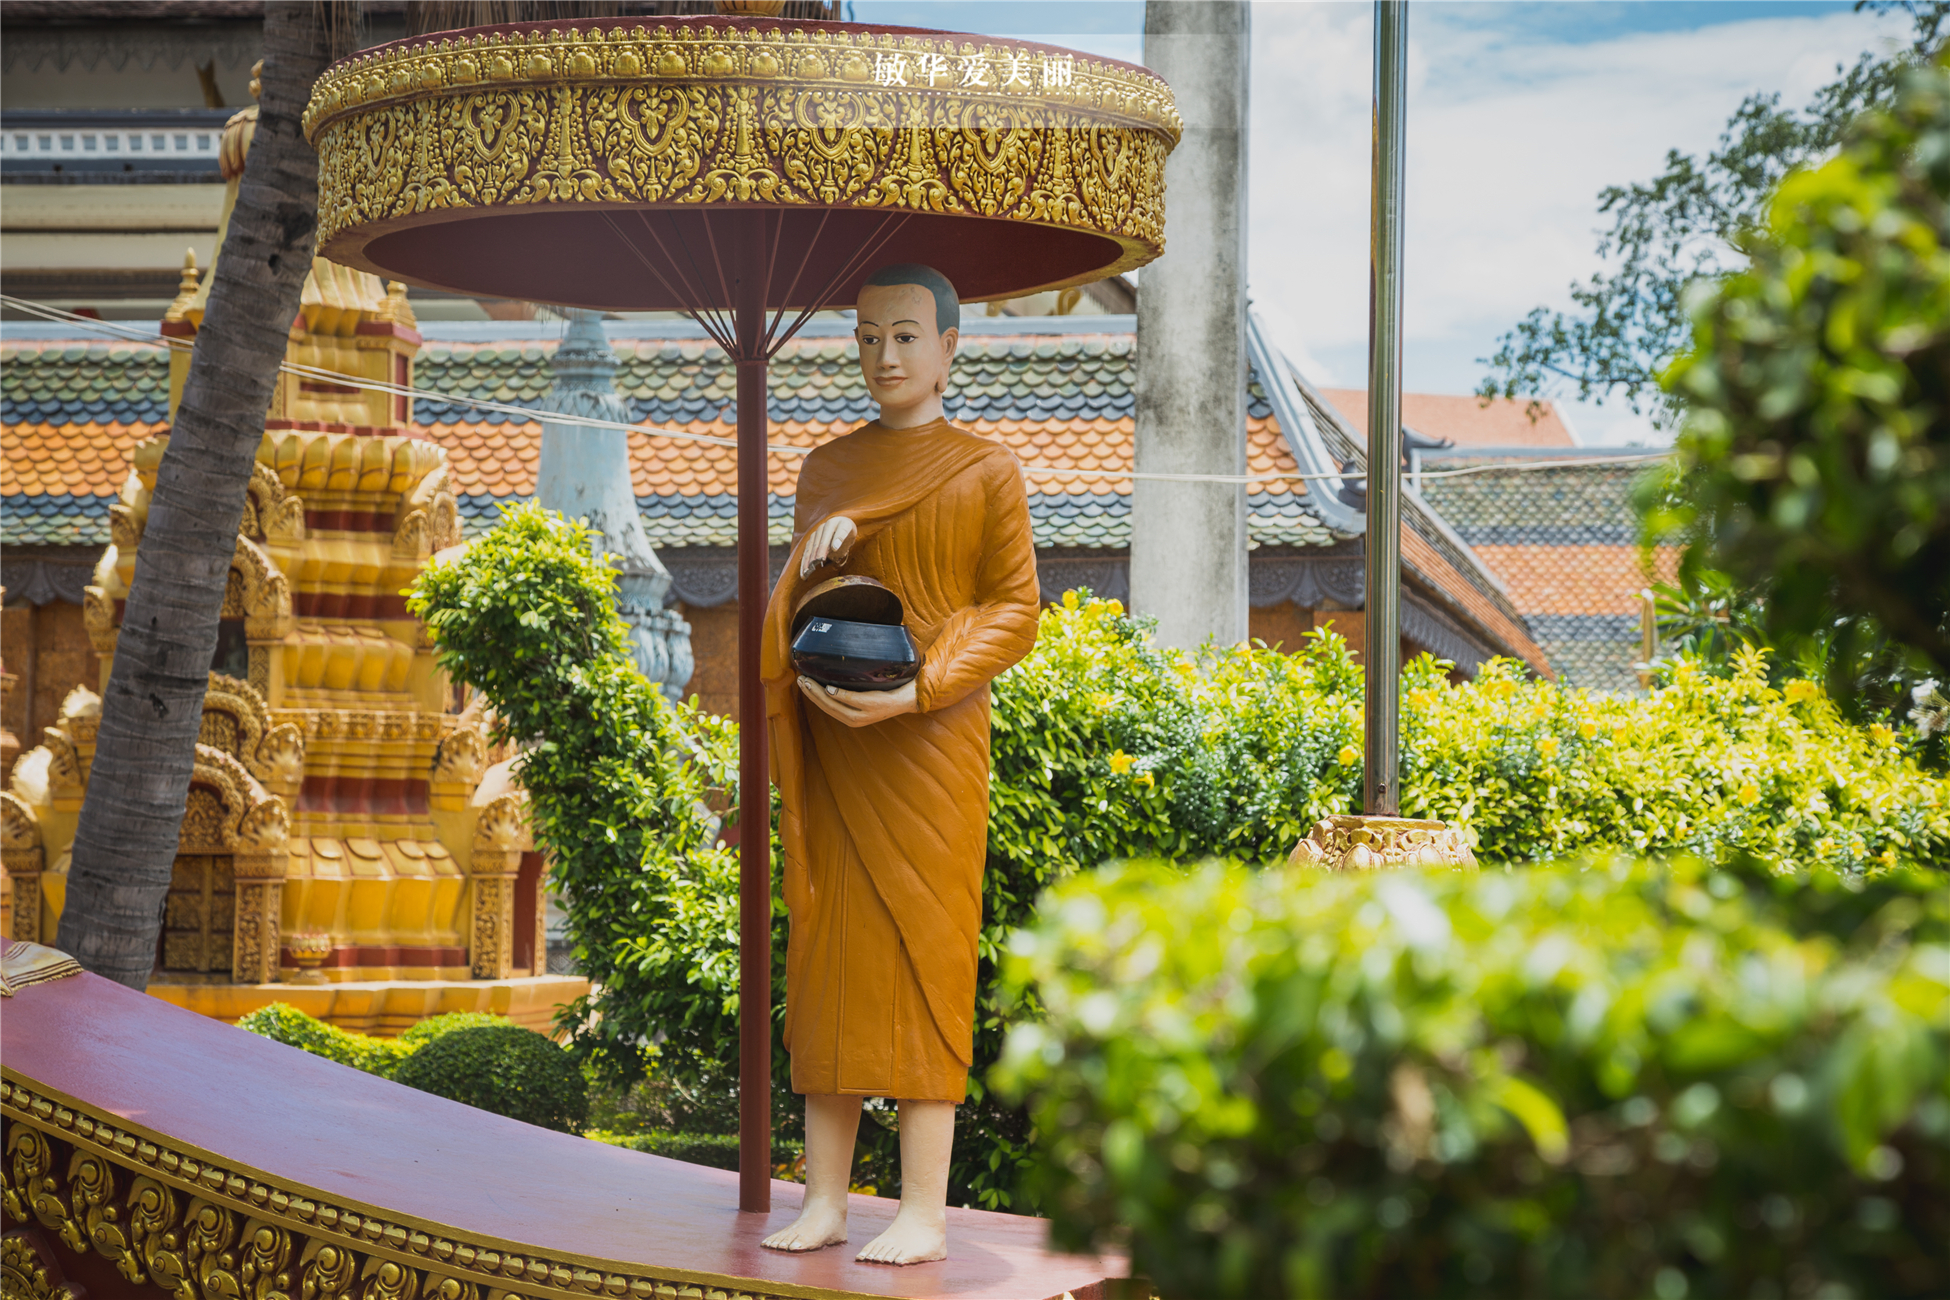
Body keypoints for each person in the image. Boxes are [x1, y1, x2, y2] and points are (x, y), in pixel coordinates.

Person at [757, 264, 1040, 1265]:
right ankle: (825, 1196)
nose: (886, 356)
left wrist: (919, 690)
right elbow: (800, 610)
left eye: (907, 337)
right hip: (837, 736)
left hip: (930, 744)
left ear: (951, 346)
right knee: (829, 959)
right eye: (868, 337)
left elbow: (1016, 609)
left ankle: (922, 1209)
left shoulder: (986, 470)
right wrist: (814, 560)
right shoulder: (827, 469)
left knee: (928, 961)